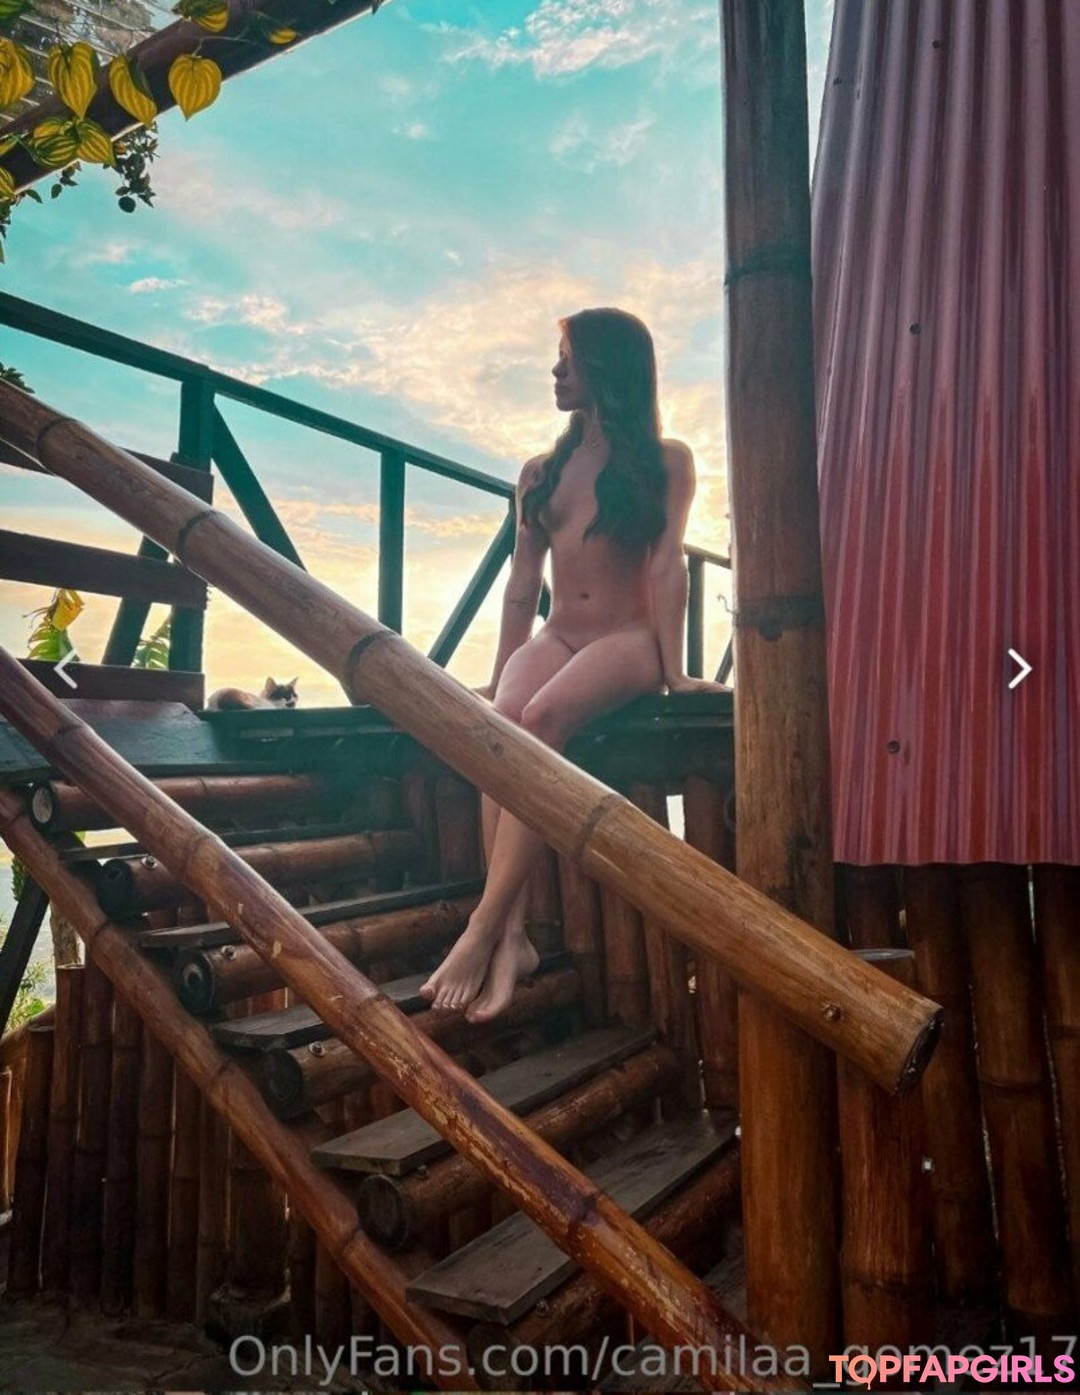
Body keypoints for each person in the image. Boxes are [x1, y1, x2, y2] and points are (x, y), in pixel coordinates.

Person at [420, 307, 725, 1024]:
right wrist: (499, 675)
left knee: (544, 716)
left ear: (608, 367)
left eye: (569, 356)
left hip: (628, 638)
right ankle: (514, 938)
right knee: (503, 725)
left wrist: (676, 673)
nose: (556, 370)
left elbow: (666, 566)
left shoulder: (666, 461)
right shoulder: (540, 472)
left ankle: (482, 928)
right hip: (559, 634)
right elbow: (523, 583)